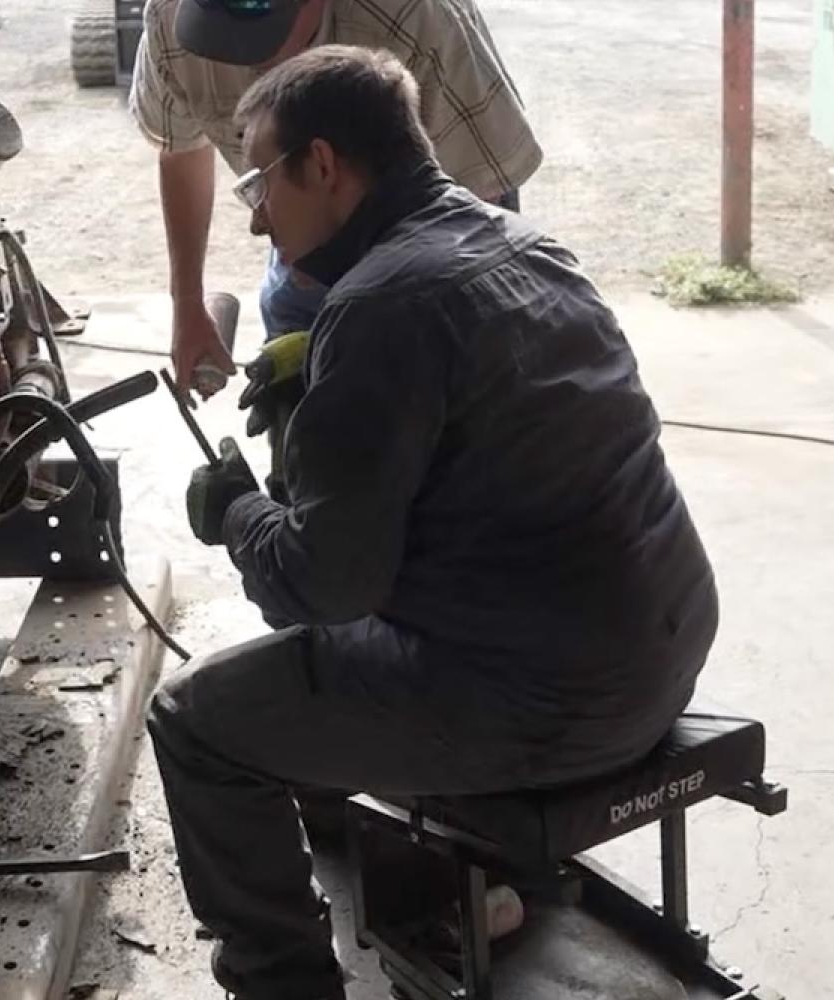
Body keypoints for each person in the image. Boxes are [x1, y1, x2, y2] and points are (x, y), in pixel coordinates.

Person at [153, 47, 719, 1000]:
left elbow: (327, 583)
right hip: (664, 646)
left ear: (324, 165)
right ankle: (351, 815)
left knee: (192, 718)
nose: (253, 212)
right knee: (331, 632)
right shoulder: (519, 243)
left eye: (259, 177)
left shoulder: (381, 309)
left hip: (548, 704)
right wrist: (326, 380)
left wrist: (239, 511)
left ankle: (281, 981)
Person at [129, 0, 541, 395]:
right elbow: (180, 147)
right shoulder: (171, 17)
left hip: (428, 247)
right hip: (309, 245)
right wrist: (186, 306)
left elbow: (485, 200)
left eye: (257, 37)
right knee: (290, 348)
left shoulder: (415, 16)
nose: (238, 54)